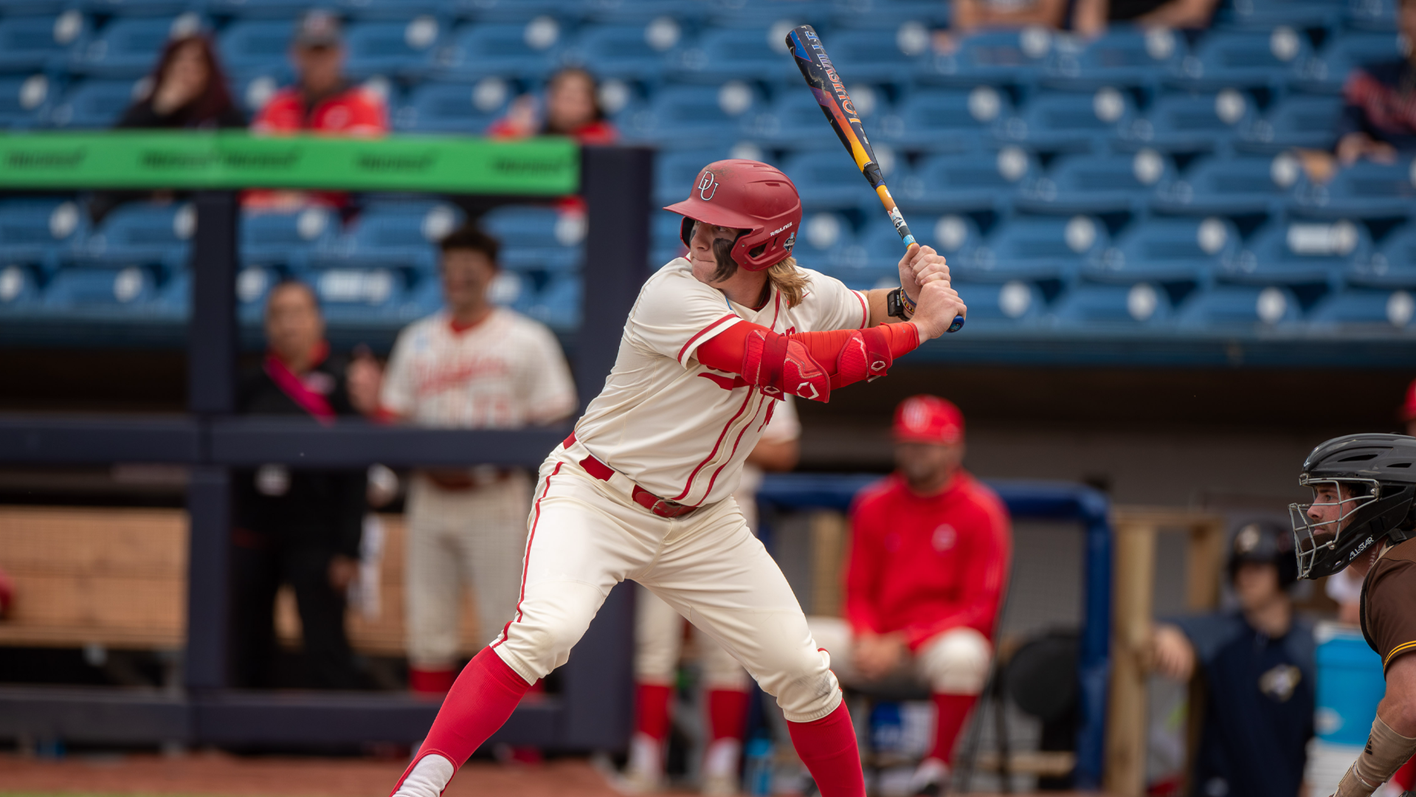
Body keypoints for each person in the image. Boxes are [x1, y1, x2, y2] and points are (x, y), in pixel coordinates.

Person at [384, 158, 968, 797]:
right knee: (545, 633)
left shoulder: (805, 294)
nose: (696, 238)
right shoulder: (671, 293)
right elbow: (791, 365)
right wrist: (921, 327)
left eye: (716, 229)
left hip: (702, 523)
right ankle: (419, 787)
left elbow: (864, 308)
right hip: (598, 496)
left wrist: (908, 294)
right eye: (695, 223)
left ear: (762, 246)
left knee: (804, 672)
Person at [346, 223, 577, 696]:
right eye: (451, 267)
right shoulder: (417, 338)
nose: (459, 277)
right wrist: (373, 408)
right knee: (427, 632)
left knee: (509, 634)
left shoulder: (527, 338)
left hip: (496, 495)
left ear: (492, 272)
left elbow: (556, 421)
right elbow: (395, 417)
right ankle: (432, 736)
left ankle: (519, 737)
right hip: (429, 495)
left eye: (470, 266)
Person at [807, 396, 1011, 797]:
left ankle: (935, 770)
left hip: (930, 648)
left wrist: (903, 643)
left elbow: (979, 610)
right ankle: (821, 766)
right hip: (876, 642)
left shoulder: (981, 509)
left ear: (953, 448)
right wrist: (866, 636)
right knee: (797, 643)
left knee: (964, 653)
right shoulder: (873, 502)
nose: (913, 452)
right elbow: (857, 589)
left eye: (926, 444)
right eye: (906, 442)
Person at [624, 398, 801, 796]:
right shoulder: (669, 363)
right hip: (659, 508)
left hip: (731, 507)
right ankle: (644, 762)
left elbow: (784, 450)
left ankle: (721, 769)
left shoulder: (768, 367)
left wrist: (717, 433)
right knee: (654, 643)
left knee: (728, 647)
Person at [230, 280, 367, 690]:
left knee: (326, 644)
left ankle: (337, 727)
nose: (288, 324)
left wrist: (349, 548)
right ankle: (244, 726)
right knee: (245, 642)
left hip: (318, 538)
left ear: (317, 320)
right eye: (278, 315)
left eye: (297, 313)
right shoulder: (248, 385)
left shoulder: (343, 381)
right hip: (255, 535)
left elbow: (357, 471)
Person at [1147, 521, 1314, 797]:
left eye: (1258, 567)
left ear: (1284, 571)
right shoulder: (1220, 632)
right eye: (1240, 568)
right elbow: (1142, 628)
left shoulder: (1307, 645)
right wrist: (1167, 635)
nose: (1245, 577)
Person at [1290, 433, 1416, 797]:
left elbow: (1408, 705)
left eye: (1329, 496)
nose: (1312, 511)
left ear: (1379, 503)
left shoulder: (1397, 573)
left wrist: (1349, 791)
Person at [88, 34, 246, 223]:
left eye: (196, 62)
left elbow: (228, 173)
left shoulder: (226, 117)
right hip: (141, 212)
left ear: (209, 71)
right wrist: (159, 110)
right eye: (179, 61)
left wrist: (173, 189)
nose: (186, 69)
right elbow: (111, 153)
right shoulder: (148, 112)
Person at [247, 9, 387, 209]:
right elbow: (253, 168)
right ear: (295, 54)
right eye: (311, 52)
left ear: (341, 53)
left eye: (326, 51)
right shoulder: (276, 105)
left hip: (339, 216)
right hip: (277, 212)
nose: (319, 61)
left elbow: (364, 166)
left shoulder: (362, 104)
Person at [1335, 0, 1416, 166]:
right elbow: (1348, 128)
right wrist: (1353, 141)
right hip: (1378, 176)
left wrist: (1397, 154)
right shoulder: (1374, 77)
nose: (1410, 16)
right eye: (1405, 7)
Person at [487, 67, 617, 145]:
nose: (573, 105)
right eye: (567, 98)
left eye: (581, 99)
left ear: (593, 105)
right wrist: (517, 131)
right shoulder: (531, 132)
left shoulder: (601, 136)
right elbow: (492, 154)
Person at [1071, 0, 1219, 34]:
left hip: (1182, 44)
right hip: (1115, 51)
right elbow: (1087, 27)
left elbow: (1195, 12)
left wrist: (1137, 31)